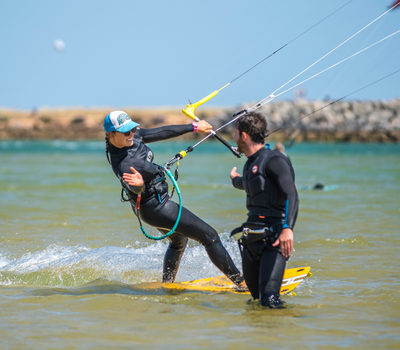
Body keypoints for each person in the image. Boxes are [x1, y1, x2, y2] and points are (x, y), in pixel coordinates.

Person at [104, 110, 244, 286]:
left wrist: (193, 127)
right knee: (210, 237)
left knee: (178, 241)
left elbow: (161, 132)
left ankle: (167, 284)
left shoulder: (132, 137)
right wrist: (139, 185)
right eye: (126, 132)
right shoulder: (125, 164)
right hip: (155, 208)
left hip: (153, 204)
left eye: (132, 129)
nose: (131, 134)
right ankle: (241, 283)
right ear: (111, 134)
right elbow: (135, 188)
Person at [229, 112, 299, 308]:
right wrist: (234, 180)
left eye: (235, 133)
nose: (233, 138)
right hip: (251, 240)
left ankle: (289, 331)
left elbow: (291, 194)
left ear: (244, 136)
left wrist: (288, 228)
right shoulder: (249, 163)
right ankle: (259, 336)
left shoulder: (275, 160)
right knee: (256, 301)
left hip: (274, 239)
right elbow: (250, 184)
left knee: (270, 300)